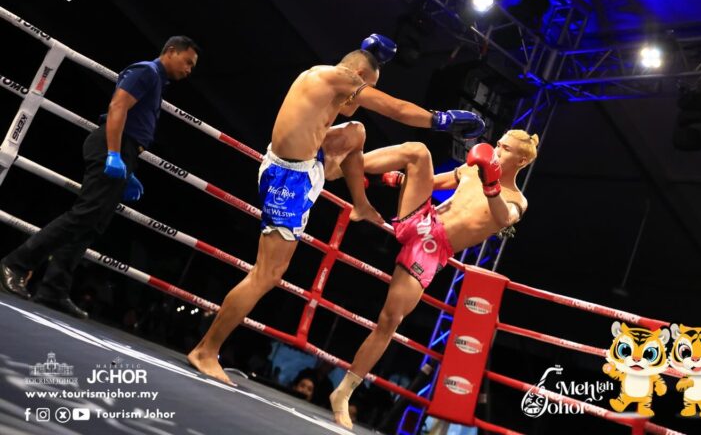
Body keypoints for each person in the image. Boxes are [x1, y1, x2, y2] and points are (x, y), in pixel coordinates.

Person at [187, 36, 486, 385]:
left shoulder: (323, 80)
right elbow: (397, 110)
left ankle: (361, 204)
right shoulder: (339, 77)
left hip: (309, 162)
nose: (360, 98)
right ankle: (206, 350)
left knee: (356, 132)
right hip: (287, 180)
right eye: (367, 87)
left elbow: (345, 114)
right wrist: (444, 119)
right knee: (267, 274)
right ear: (358, 75)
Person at [329, 129, 539, 429]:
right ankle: (346, 167)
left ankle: (343, 392)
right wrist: (399, 181)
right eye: (497, 144)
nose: (496, 150)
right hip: (422, 218)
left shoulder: (516, 200)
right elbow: (431, 182)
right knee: (418, 152)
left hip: (431, 249)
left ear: (520, 160)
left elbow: (505, 218)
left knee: (389, 320)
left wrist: (491, 184)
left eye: (504, 149)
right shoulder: (472, 170)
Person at [0, 37, 199, 318]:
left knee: (93, 224)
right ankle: (15, 264)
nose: (189, 70)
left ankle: (54, 288)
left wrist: (127, 166)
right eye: (187, 62)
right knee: (84, 215)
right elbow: (118, 107)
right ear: (170, 51)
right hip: (111, 144)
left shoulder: (156, 81)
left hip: (124, 150)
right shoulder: (146, 71)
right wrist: (114, 154)